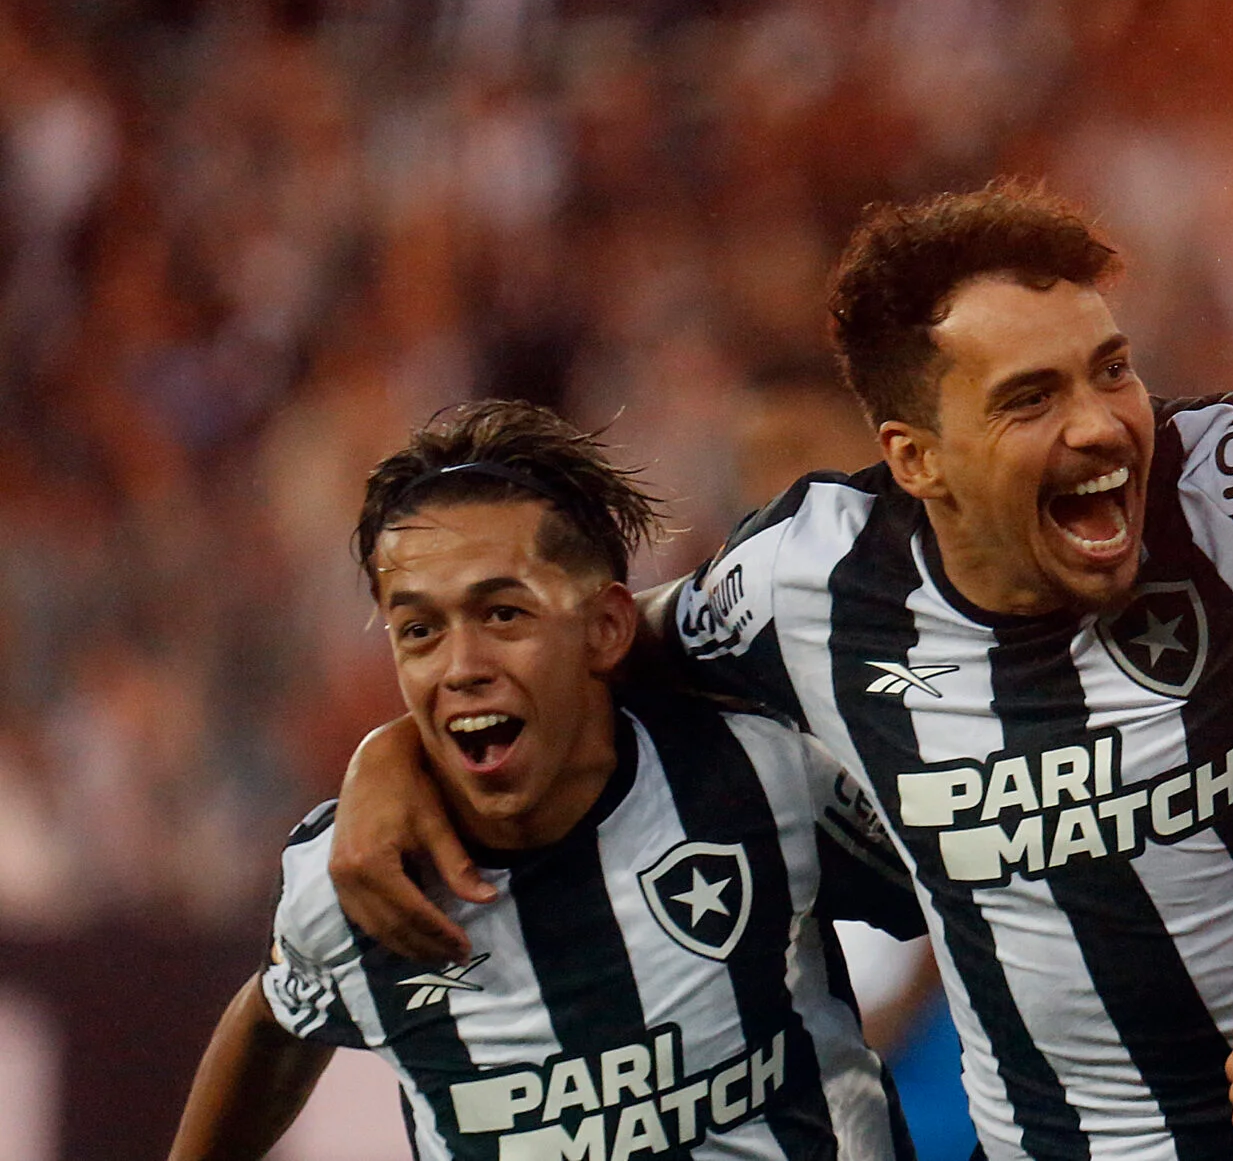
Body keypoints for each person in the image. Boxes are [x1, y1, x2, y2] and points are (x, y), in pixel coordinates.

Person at [327, 185, 1233, 1161]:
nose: (1106, 424)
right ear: (912, 455)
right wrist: (386, 763)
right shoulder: (802, 581)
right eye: (1030, 397)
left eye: (1110, 369)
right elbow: (578, 645)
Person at [168, 401, 928, 1161]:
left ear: (605, 627)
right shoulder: (355, 879)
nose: (462, 667)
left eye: (503, 613)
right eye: (420, 630)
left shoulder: (761, 777)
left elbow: (972, 891)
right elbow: (272, 1020)